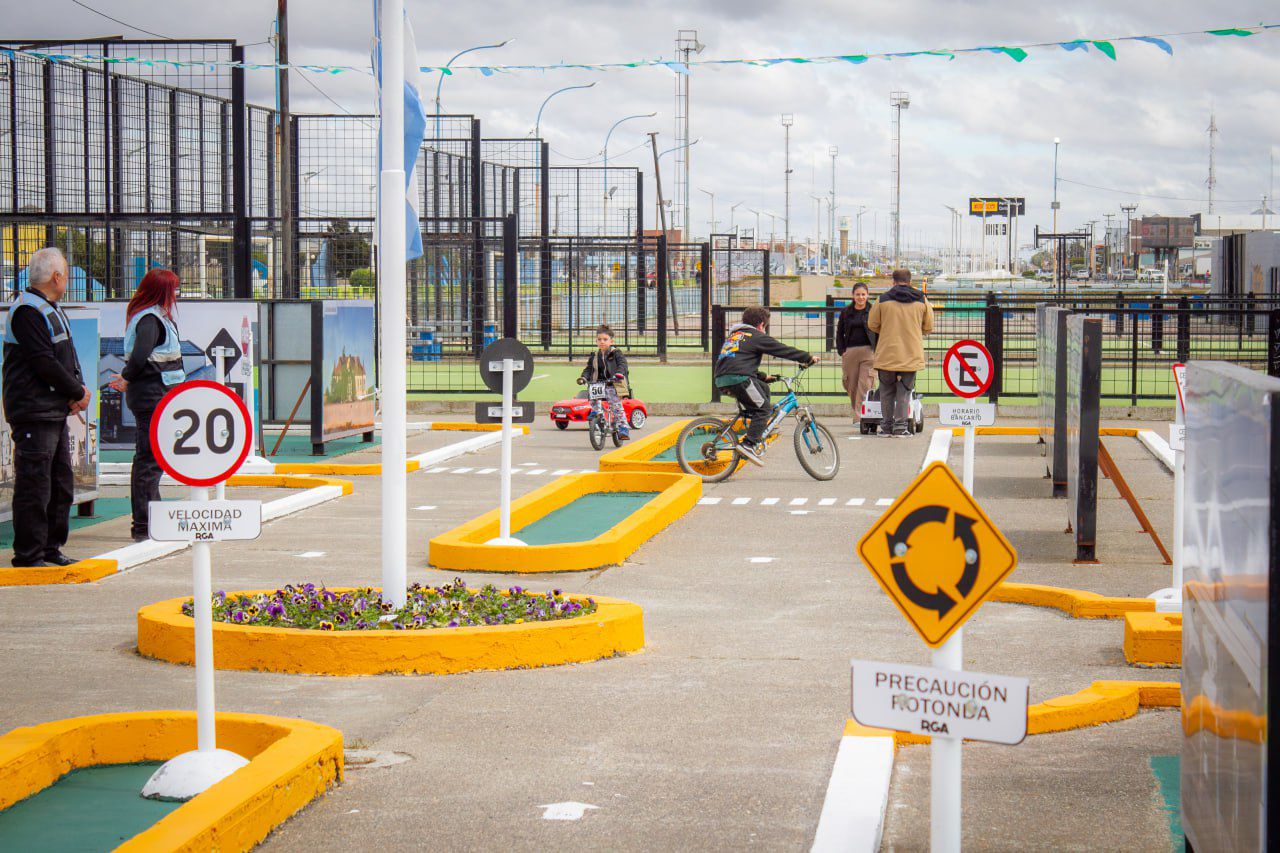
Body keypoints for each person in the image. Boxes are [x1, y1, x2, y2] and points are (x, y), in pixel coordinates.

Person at [2, 247, 90, 567]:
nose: (66, 277)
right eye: (66, 272)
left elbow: (62, 357)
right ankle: (29, 554)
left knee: (60, 483)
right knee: (34, 486)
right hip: (33, 411)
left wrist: (71, 393)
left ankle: (51, 547)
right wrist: (76, 390)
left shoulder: (47, 307)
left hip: (51, 410)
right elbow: (44, 362)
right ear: (57, 277)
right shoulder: (27, 311)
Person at [108, 269, 185, 541]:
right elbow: (140, 358)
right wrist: (127, 377)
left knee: (151, 459)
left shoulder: (152, 318)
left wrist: (127, 378)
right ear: (162, 291)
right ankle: (144, 524)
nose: (176, 295)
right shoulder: (151, 320)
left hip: (155, 396)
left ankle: (151, 518)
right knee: (149, 460)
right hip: (153, 397)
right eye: (173, 289)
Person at [713, 305, 818, 466]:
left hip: (723, 378)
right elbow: (782, 350)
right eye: (765, 327)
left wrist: (763, 377)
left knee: (763, 388)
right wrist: (807, 357)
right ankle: (748, 444)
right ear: (761, 324)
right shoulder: (756, 336)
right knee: (764, 409)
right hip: (739, 378)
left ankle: (762, 426)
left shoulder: (737, 335)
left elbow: (739, 361)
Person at [867, 269, 934, 437]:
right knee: (904, 391)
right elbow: (928, 326)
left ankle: (886, 427)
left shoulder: (882, 299)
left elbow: (872, 324)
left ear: (893, 281)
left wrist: (887, 328)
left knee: (886, 391)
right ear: (910, 281)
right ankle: (900, 427)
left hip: (887, 352)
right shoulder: (921, 299)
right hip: (910, 353)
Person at [577, 324, 631, 441]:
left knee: (616, 405)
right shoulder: (595, 356)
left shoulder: (616, 353)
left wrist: (619, 373)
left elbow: (623, 364)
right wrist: (584, 377)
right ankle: (596, 412)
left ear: (611, 341)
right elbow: (589, 369)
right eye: (599, 339)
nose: (602, 342)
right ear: (596, 341)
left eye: (605, 339)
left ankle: (623, 427)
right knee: (592, 391)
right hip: (600, 383)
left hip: (614, 383)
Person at [836, 282, 876, 427]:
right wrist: (842, 351)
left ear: (868, 295)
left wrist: (877, 349)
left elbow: (880, 330)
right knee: (851, 385)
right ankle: (857, 411)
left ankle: (859, 416)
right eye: (858, 294)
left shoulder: (873, 310)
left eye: (863, 294)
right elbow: (839, 332)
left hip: (868, 352)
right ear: (853, 295)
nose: (860, 297)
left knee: (865, 384)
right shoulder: (846, 312)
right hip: (850, 352)